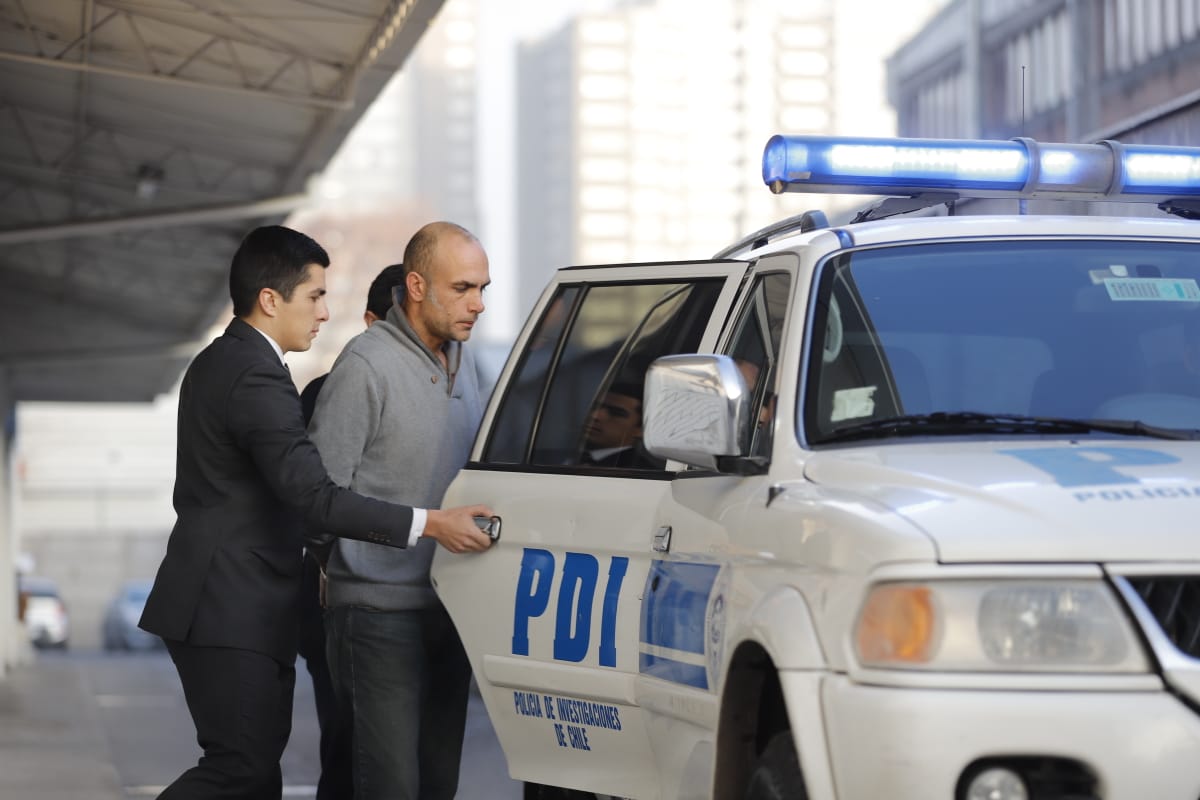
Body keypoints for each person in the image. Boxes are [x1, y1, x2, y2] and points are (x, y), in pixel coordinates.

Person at [138, 225, 494, 800]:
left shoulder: (233, 361)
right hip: (228, 602)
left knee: (253, 776)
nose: (326, 312)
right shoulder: (253, 373)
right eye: (315, 296)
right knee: (240, 771)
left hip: (238, 602)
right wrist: (430, 524)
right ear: (270, 299)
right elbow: (315, 496)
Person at [308, 221, 490, 800]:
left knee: (437, 786)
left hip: (450, 607)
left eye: (482, 289)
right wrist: (347, 571)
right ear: (416, 286)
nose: (478, 304)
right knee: (389, 787)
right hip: (376, 616)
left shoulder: (472, 364)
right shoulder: (365, 366)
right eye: (462, 288)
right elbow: (319, 500)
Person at [297, 262, 408, 800]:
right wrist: (328, 564)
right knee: (350, 750)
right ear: (371, 322)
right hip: (343, 597)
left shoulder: (461, 386)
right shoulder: (335, 388)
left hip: (422, 599)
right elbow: (316, 500)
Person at [577, 381, 663, 469]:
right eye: (594, 407)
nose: (595, 416)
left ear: (642, 430)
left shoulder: (639, 471)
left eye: (615, 413)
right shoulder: (574, 456)